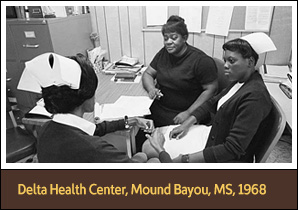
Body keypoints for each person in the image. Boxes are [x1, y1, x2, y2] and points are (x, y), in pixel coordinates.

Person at [145, 32, 277, 163]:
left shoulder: (255, 98)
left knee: (148, 148)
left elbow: (232, 149)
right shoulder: (240, 81)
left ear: (250, 62)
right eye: (225, 60)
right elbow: (212, 103)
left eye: (231, 61)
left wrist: (184, 159)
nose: (225, 65)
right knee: (154, 139)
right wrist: (186, 123)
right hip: (214, 134)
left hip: (222, 156)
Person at [18, 52, 170, 163]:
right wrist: (160, 149)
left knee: (141, 156)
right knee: (153, 161)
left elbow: (94, 129)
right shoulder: (97, 150)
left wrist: (132, 121)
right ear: (85, 96)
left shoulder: (46, 129)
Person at [142, 15, 218, 127]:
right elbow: (148, 73)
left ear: (185, 38)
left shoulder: (201, 60)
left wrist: (189, 112)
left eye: (174, 37)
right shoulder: (164, 53)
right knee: (134, 126)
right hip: (160, 109)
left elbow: (211, 90)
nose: (168, 42)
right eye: (166, 38)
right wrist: (151, 89)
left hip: (183, 114)